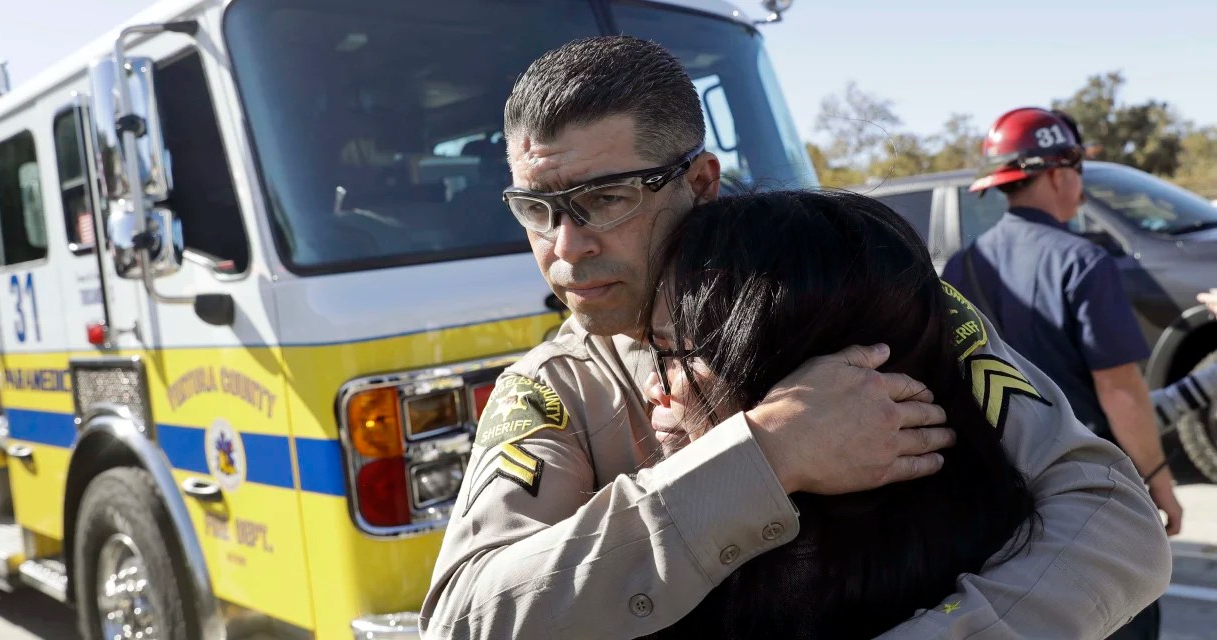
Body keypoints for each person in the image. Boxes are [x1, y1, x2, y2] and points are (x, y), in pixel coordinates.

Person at [422, 37, 1170, 639]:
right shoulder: (554, 388)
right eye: (535, 210)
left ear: (703, 183)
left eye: (605, 200)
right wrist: (761, 455)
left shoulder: (872, 297)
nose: (566, 246)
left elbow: (1111, 514)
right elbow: (465, 620)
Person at [636, 190, 1039, 639]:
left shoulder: (750, 581)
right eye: (657, 351)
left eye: (677, 354)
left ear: (820, 380)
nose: (654, 386)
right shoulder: (1002, 537)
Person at [943, 106, 1180, 639]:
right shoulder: (1083, 262)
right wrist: (1160, 483)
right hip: (1083, 496)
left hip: (997, 500)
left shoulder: (962, 266)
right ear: (1057, 173)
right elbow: (1120, 390)